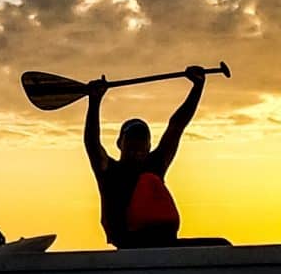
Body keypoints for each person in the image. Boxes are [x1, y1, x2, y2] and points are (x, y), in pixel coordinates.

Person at [85, 66, 208, 248]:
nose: (137, 147)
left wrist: (197, 87)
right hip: (130, 244)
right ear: (120, 144)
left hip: (165, 244)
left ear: (149, 146)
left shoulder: (156, 164)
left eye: (142, 142)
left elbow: (177, 126)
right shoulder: (108, 170)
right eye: (132, 142)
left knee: (223, 245)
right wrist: (94, 102)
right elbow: (92, 143)